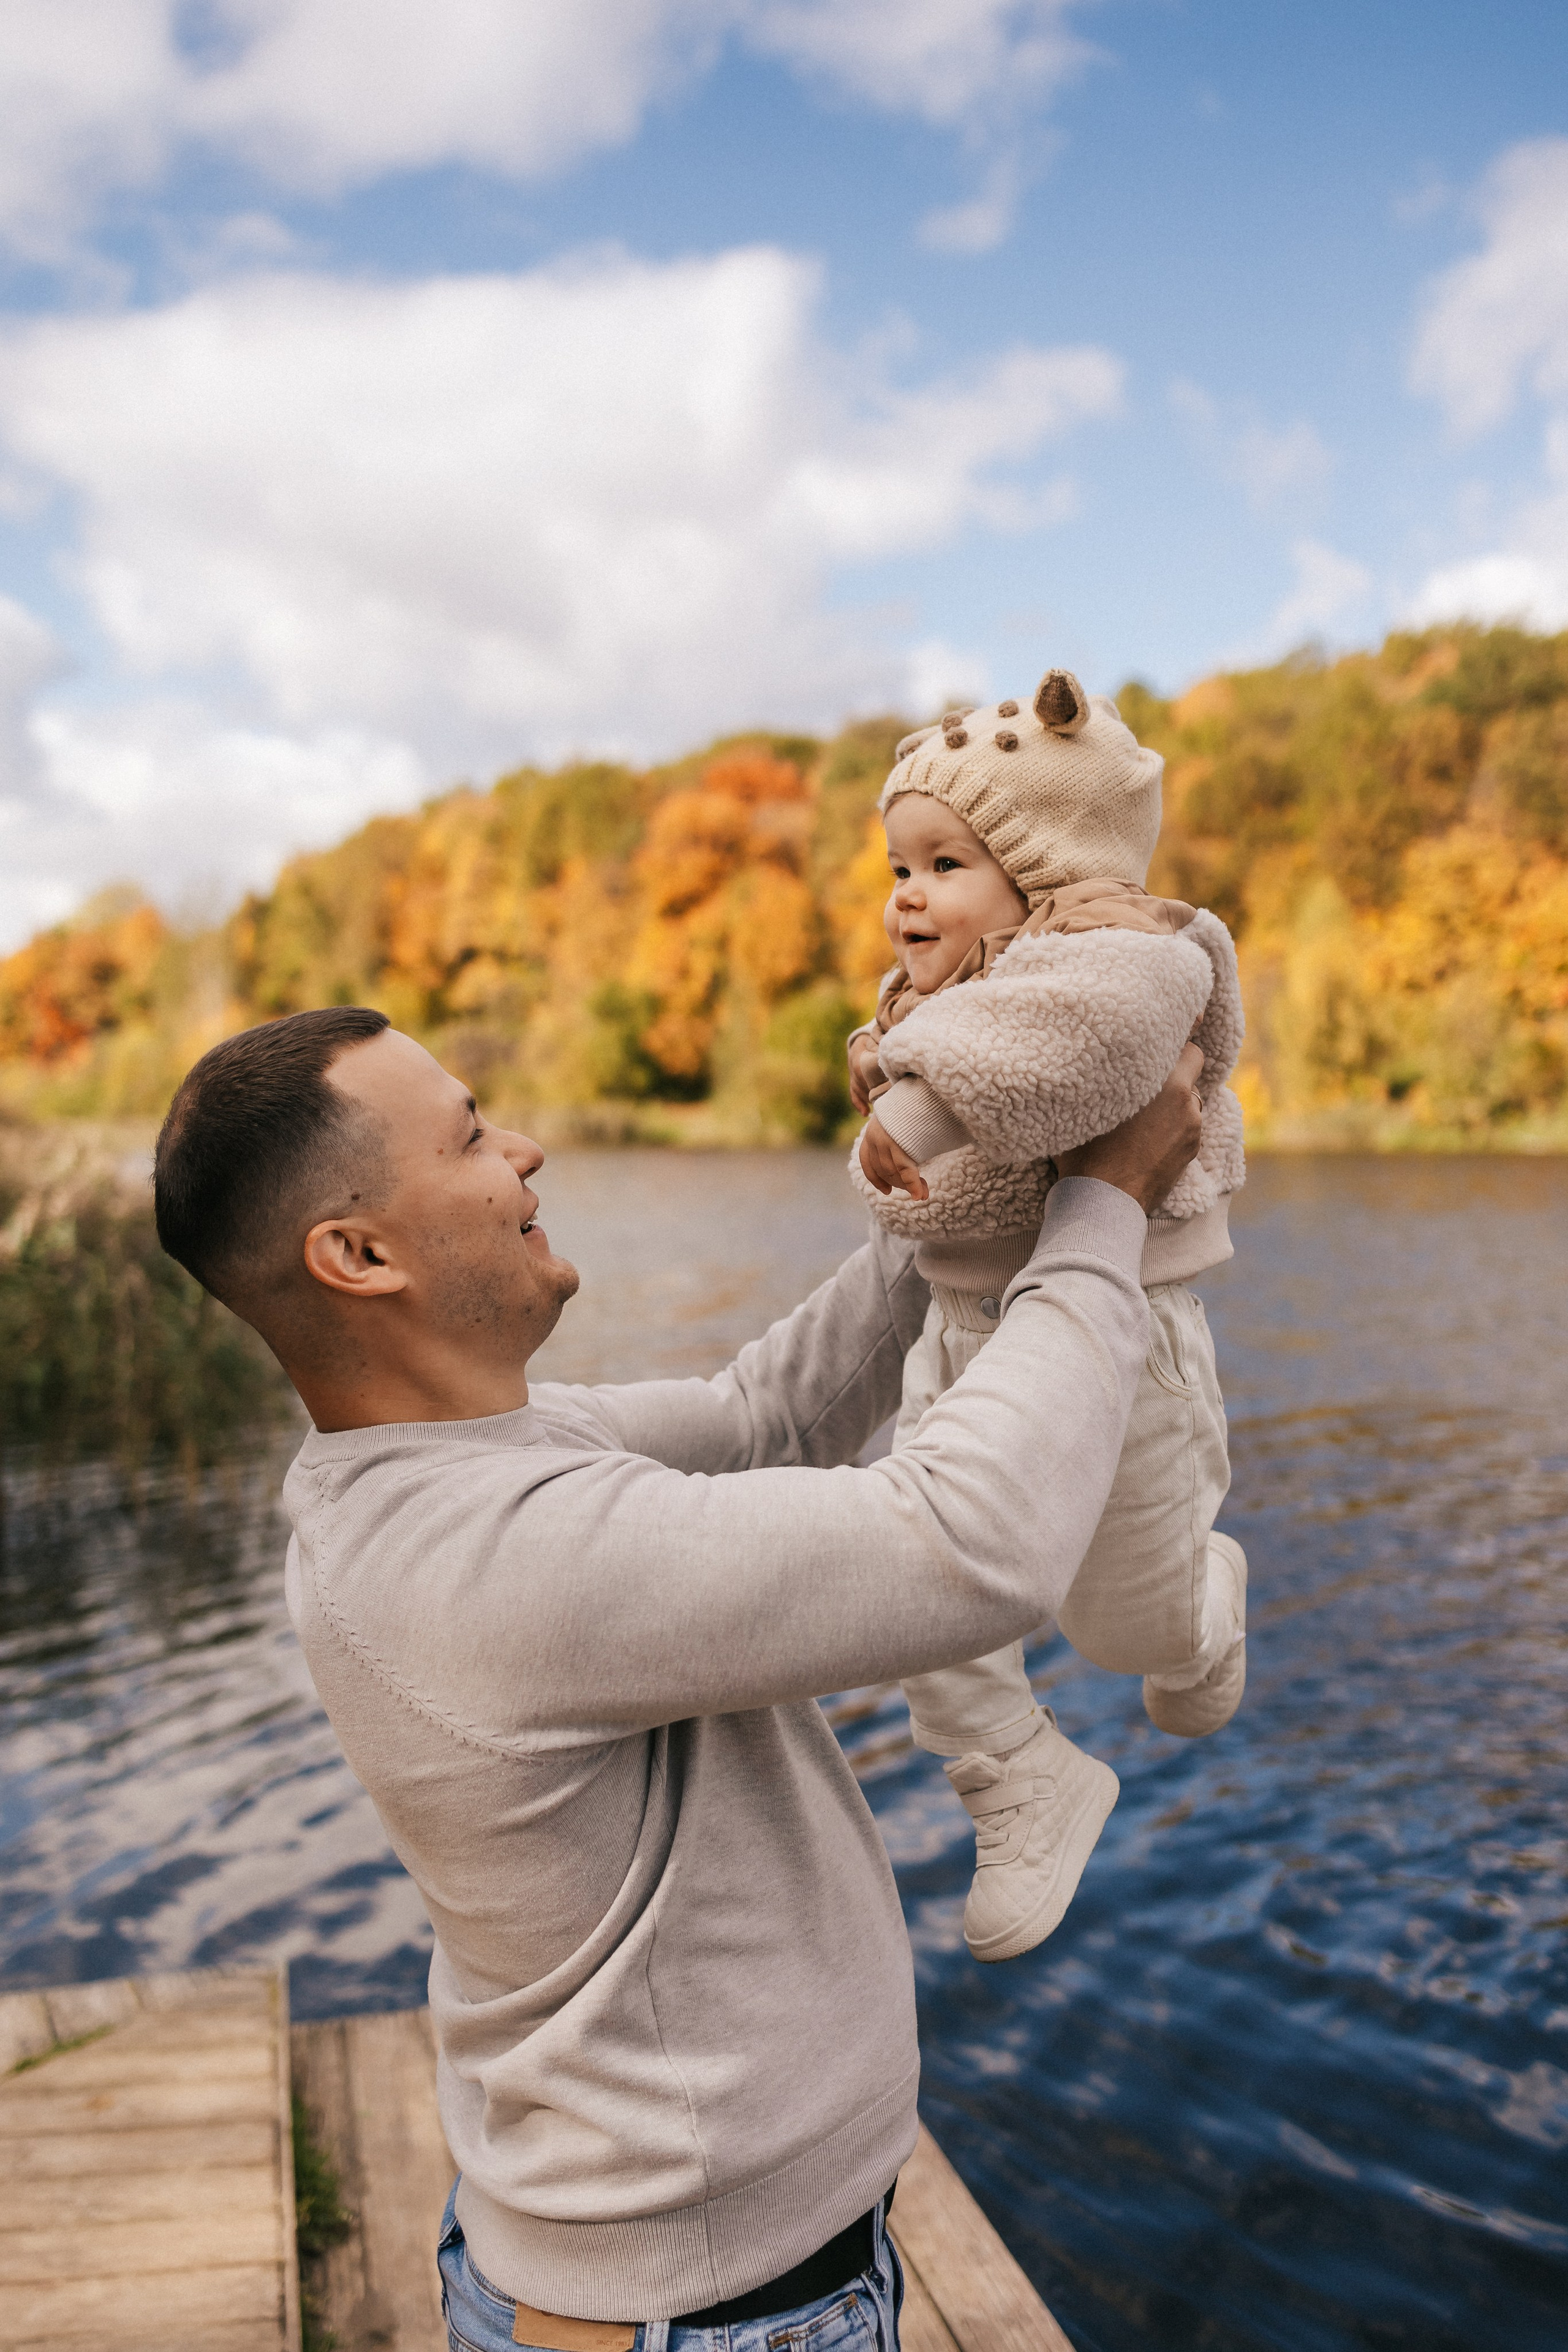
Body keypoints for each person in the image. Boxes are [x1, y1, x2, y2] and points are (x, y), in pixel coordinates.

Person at [153, 1005, 1202, 2352]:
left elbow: (771, 1418)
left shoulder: (474, 1461)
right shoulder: (488, 1558)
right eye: (471, 1136)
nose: (524, 1153)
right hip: (710, 2319)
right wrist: (1104, 1205)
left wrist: (960, 1183)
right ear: (357, 1255)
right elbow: (970, 1541)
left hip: (703, 2288)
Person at [845, 665, 1248, 1966]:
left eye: (943, 862)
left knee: (1119, 1626)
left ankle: (1201, 1600)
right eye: (896, 866)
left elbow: (1068, 1049)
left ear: (1050, 872)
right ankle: (1013, 1772)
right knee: (918, 1582)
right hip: (966, 1333)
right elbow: (976, 1053)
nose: (905, 893)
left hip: (1122, 1342)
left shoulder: (1135, 959)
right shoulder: (949, 996)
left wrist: (906, 1108)